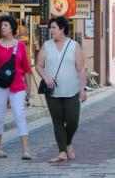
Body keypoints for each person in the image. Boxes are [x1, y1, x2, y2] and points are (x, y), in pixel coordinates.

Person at [35, 17, 87, 163]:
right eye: (50, 28)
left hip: (72, 89)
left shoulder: (74, 46)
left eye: (54, 28)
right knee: (57, 121)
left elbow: (82, 69)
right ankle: (62, 152)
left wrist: (82, 89)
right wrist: (46, 77)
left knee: (72, 121)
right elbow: (39, 65)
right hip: (53, 91)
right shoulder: (47, 45)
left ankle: (68, 143)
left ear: (62, 28)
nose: (51, 30)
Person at [0, 15, 32, 160]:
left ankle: (26, 150)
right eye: (1, 25)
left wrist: (29, 89)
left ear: (12, 28)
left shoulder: (19, 45)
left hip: (17, 85)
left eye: (5, 25)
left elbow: (26, 68)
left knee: (20, 116)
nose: (2, 27)